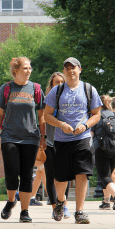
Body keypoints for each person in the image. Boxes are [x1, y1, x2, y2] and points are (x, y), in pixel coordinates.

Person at [44, 57, 102, 224]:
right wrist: (61, 124)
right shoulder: (57, 91)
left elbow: (96, 114)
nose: (70, 70)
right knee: (61, 177)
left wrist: (85, 125)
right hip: (62, 139)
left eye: (73, 67)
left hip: (82, 138)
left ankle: (80, 211)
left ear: (80, 69)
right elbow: (47, 115)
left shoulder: (89, 89)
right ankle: (60, 202)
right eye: (67, 68)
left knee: (82, 173)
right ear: (64, 71)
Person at [0, 57, 46, 223]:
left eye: (30, 68)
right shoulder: (6, 88)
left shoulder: (36, 88)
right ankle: (10, 201)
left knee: (26, 174)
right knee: (11, 171)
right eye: (25, 68)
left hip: (31, 137)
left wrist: (43, 137)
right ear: (16, 70)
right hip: (9, 136)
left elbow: (41, 115)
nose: (28, 71)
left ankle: (24, 211)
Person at [42, 72, 72, 219]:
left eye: (62, 82)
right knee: (51, 175)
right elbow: (43, 119)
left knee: (64, 175)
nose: (59, 84)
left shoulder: (70, 100)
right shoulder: (48, 100)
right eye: (56, 82)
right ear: (51, 85)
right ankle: (56, 208)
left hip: (66, 142)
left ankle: (63, 205)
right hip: (50, 142)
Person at [92, 95, 115, 210]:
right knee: (108, 175)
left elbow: (91, 136)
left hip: (102, 149)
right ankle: (106, 202)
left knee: (104, 176)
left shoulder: (97, 116)